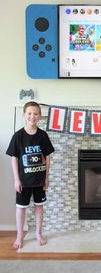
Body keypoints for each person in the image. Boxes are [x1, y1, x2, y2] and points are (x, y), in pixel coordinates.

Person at [6, 101, 55, 249]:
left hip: (39, 181)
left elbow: (47, 157)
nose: (32, 116)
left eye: (35, 114)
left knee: (39, 207)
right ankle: (20, 235)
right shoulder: (18, 136)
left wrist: (46, 178)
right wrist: (16, 180)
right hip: (23, 181)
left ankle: (39, 233)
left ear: (39, 116)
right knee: (21, 208)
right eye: (29, 113)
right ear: (24, 115)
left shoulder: (42, 135)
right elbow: (13, 158)